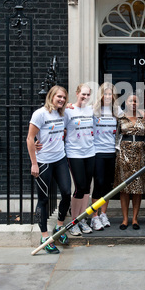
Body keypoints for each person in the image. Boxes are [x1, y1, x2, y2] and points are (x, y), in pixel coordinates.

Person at [26, 86, 71, 254]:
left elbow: (64, 128)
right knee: (43, 199)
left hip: (60, 159)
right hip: (44, 162)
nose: (62, 100)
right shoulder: (40, 114)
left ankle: (59, 229)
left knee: (66, 193)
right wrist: (34, 163)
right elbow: (30, 138)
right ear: (51, 96)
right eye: (59, 97)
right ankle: (45, 236)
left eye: (64, 98)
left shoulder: (62, 113)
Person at [64, 83, 95, 236]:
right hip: (74, 153)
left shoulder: (91, 110)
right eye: (83, 94)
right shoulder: (68, 111)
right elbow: (58, 128)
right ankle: (73, 220)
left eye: (88, 94)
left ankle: (82, 218)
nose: (85, 97)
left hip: (90, 152)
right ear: (77, 93)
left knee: (87, 188)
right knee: (79, 187)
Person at [113, 92, 145, 230]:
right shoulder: (120, 118)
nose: (133, 103)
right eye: (130, 101)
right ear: (126, 103)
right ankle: (125, 219)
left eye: (135, 101)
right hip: (124, 154)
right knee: (124, 188)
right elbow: (115, 136)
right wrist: (117, 152)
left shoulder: (144, 117)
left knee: (138, 188)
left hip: (140, 155)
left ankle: (135, 219)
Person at [91, 82, 120, 230]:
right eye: (105, 94)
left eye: (110, 94)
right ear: (101, 95)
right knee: (99, 183)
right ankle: (94, 216)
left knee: (108, 185)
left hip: (111, 152)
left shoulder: (117, 111)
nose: (108, 96)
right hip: (97, 152)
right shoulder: (94, 111)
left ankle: (103, 214)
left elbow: (128, 122)